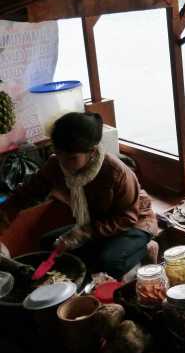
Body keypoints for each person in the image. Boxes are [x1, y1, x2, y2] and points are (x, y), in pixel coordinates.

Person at [0, 112, 158, 279]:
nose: (63, 162)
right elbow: (23, 196)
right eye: (58, 153)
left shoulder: (116, 173)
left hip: (133, 223)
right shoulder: (57, 165)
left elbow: (127, 218)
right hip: (94, 222)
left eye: (71, 158)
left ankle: (146, 249)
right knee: (48, 244)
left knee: (108, 264)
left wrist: (85, 232)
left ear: (92, 151)